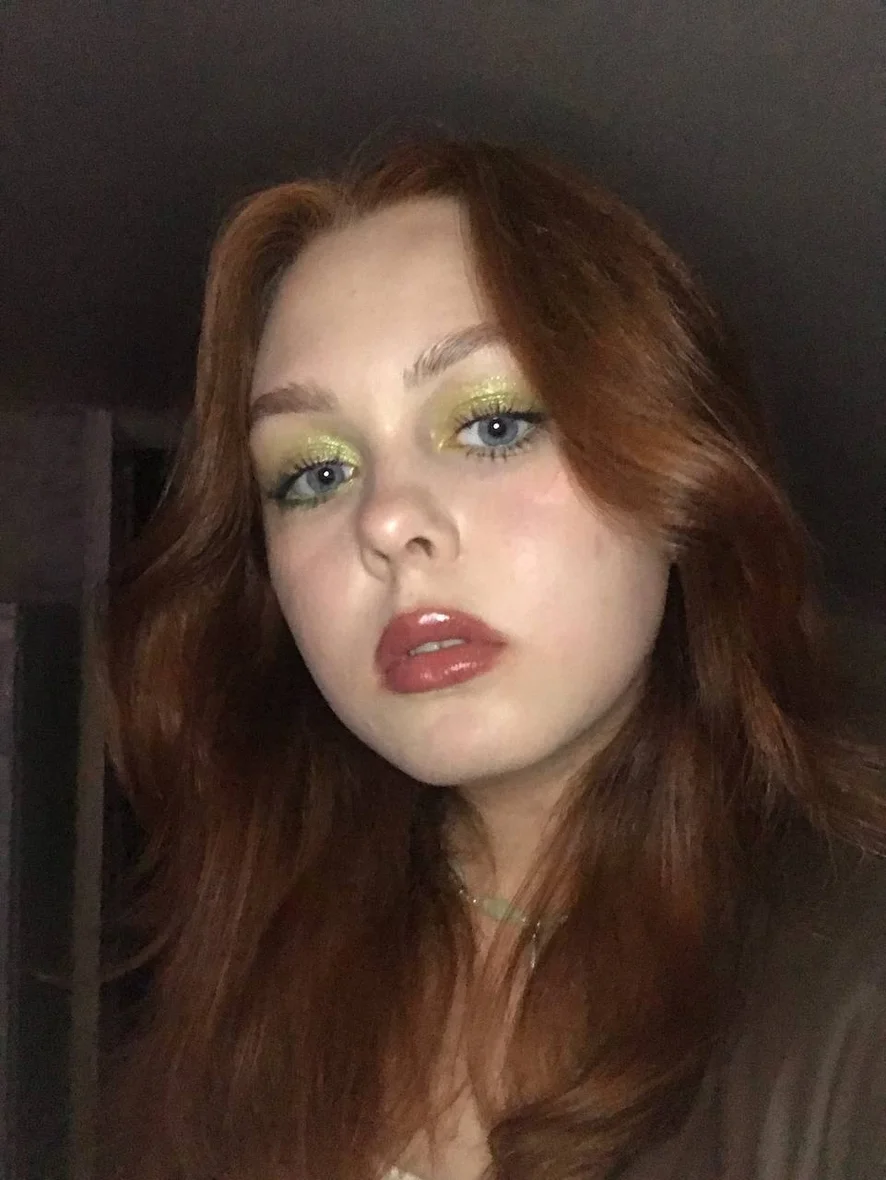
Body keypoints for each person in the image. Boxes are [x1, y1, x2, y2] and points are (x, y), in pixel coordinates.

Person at [101, 138, 886, 1180]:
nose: (386, 521)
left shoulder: (852, 985)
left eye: (492, 423)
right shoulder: (234, 992)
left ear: (676, 466)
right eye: (315, 473)